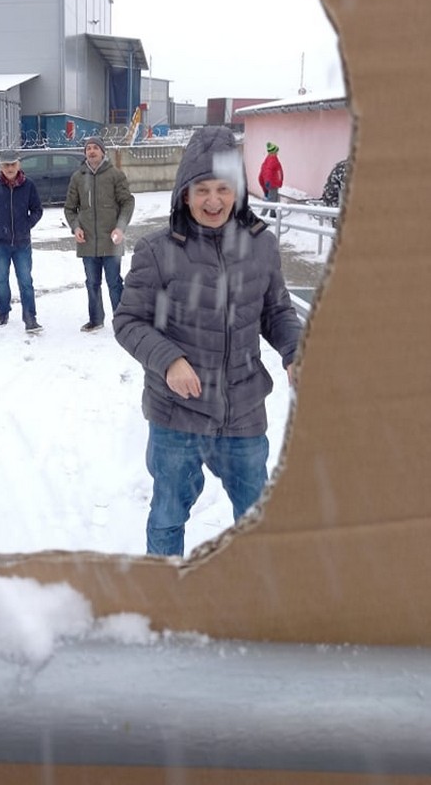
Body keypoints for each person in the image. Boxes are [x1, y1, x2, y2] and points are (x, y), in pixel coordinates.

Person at [112, 126, 301, 557]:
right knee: (168, 516)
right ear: (185, 194)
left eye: (223, 188)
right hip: (177, 413)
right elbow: (129, 321)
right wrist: (169, 360)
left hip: (244, 411)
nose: (213, 201)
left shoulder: (261, 246)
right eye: (202, 190)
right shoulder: (157, 251)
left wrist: (295, 351)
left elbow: (277, 312)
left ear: (238, 191)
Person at [63, 135, 135, 332]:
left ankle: (122, 322)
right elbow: (69, 208)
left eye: (95, 148)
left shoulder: (115, 175)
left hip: (111, 240)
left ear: (103, 152)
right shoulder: (78, 177)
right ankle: (96, 320)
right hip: (87, 242)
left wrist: (120, 227)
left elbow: (127, 202)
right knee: (92, 283)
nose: (92, 151)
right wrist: (76, 227)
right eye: (88, 148)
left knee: (114, 283)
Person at [0, 149, 43, 333]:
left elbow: (37, 210)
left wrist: (27, 225)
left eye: (13, 164)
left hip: (22, 243)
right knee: (2, 280)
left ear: (19, 165)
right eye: (6, 165)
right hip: (1, 243)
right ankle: (3, 312)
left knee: (26, 281)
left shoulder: (28, 185)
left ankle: (30, 318)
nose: (10, 168)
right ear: (1, 166)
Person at [258, 141, 284, 216]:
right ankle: (262, 216)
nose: (277, 153)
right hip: (273, 183)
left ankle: (273, 214)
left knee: (275, 199)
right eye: (276, 151)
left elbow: (264, 171)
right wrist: (268, 182)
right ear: (273, 152)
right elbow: (268, 171)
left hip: (273, 183)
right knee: (271, 201)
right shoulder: (272, 159)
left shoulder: (269, 159)